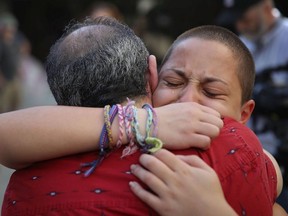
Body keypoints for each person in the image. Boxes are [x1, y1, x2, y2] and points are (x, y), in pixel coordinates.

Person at [0, 17, 284, 215]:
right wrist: (146, 122)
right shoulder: (237, 151)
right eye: (173, 83)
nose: (187, 101)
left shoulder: (23, 187)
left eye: (212, 92)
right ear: (153, 77)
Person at [216, 0, 288, 210]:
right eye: (236, 20)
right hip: (251, 157)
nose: (240, 26)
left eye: (245, 18)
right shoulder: (242, 45)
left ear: (266, 7)